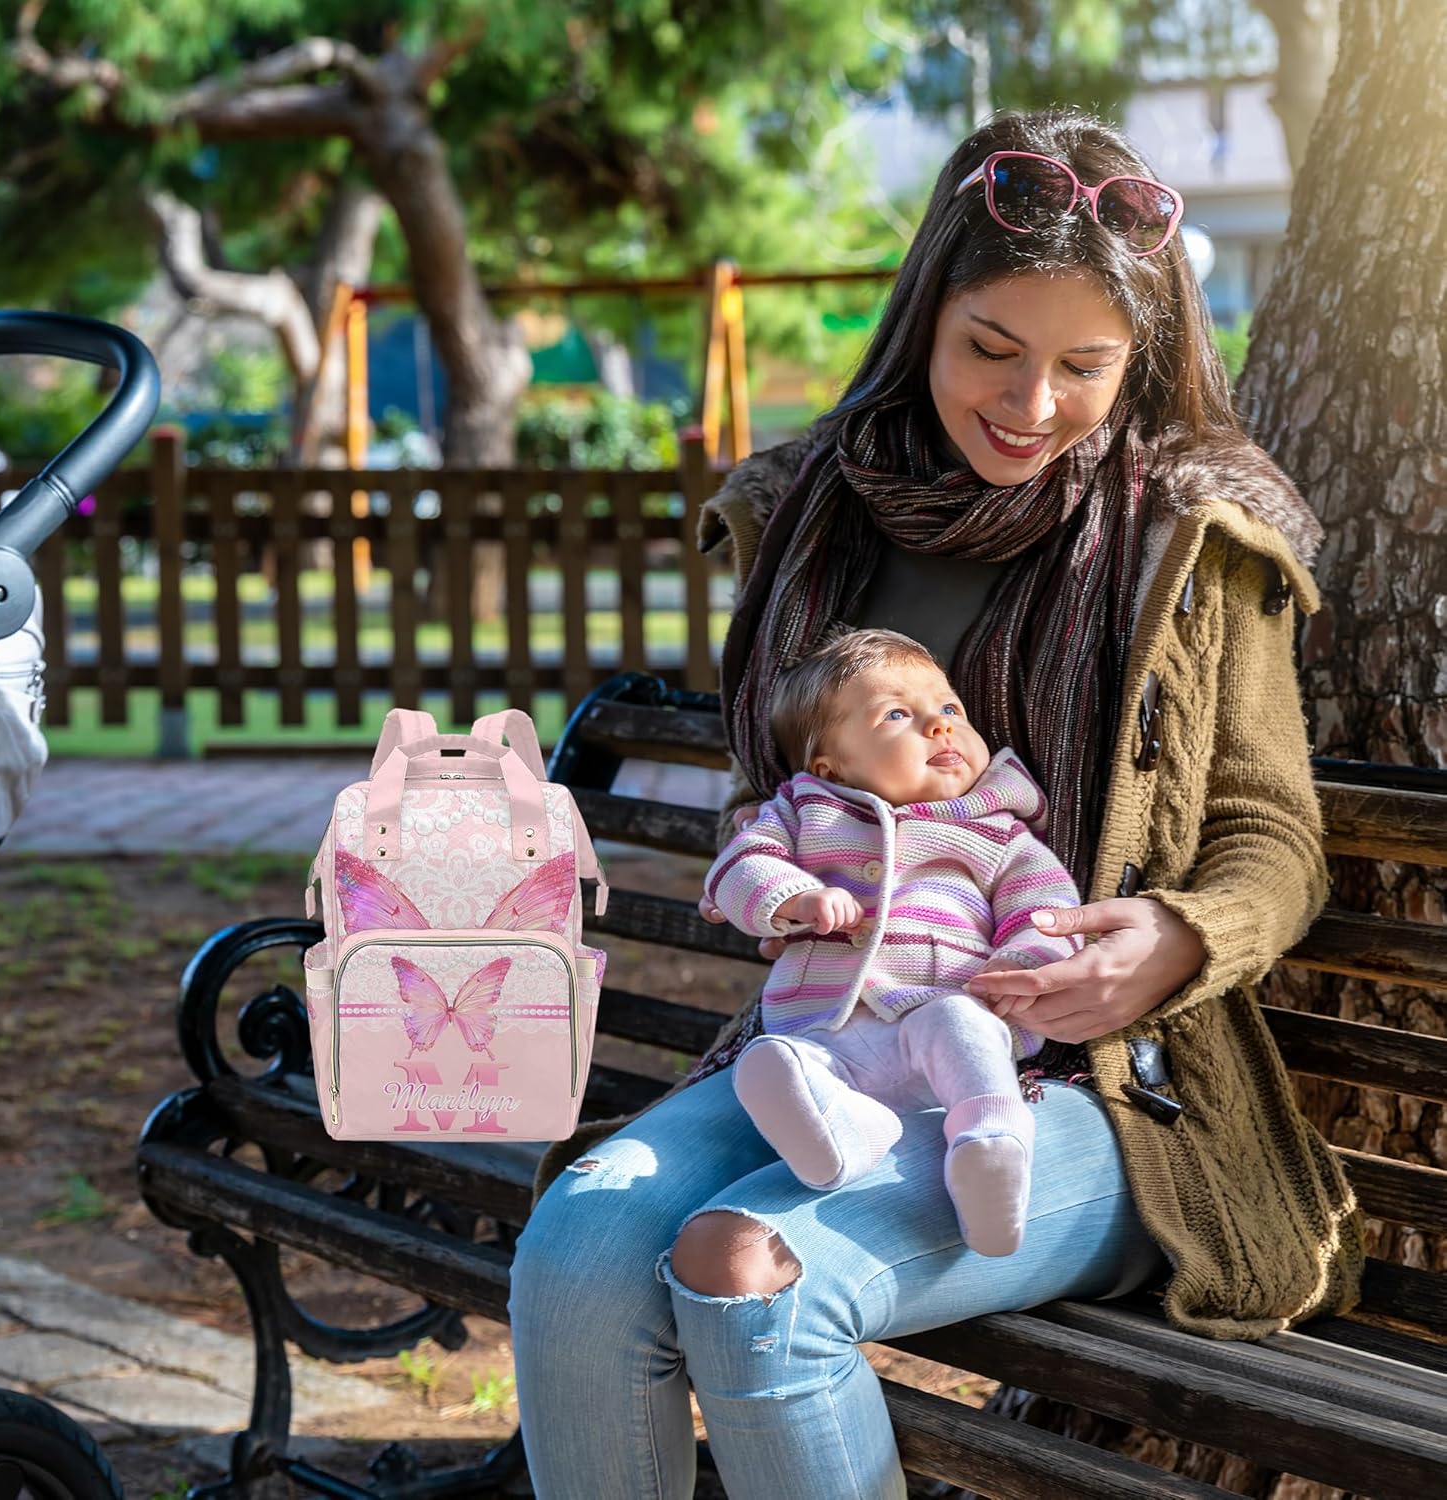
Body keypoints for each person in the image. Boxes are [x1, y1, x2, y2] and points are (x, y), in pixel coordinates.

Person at [509, 107, 1363, 1500]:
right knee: (580, 1250)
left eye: (1085, 365)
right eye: (991, 350)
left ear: (1141, 356)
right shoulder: (813, 516)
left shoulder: (1195, 535)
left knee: (762, 1286)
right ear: (926, 318)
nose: (1032, 404)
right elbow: (780, 800)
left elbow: (1274, 836)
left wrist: (1177, 938)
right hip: (837, 1051)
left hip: (1093, 1090)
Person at [704, 626, 1085, 1256]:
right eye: (898, 714)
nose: (939, 726)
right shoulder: (804, 811)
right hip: (828, 1025)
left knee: (961, 1027)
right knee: (778, 1065)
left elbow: (1044, 903)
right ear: (832, 765)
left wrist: (1025, 962)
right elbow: (740, 866)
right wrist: (792, 898)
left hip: (943, 1003)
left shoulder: (994, 828)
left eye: (950, 710)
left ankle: (991, 1146)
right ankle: (844, 1137)